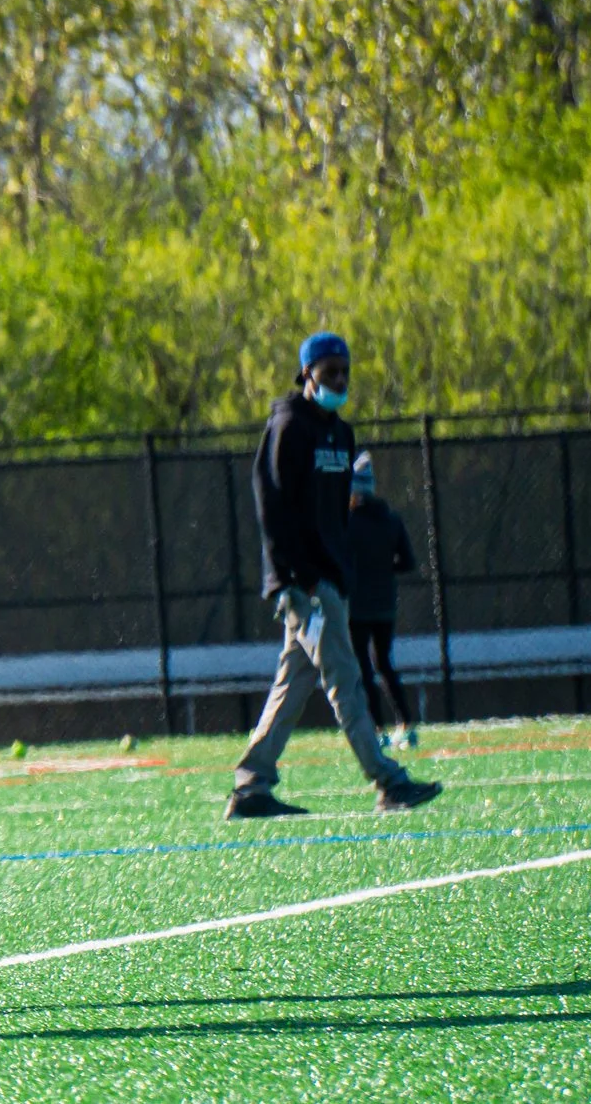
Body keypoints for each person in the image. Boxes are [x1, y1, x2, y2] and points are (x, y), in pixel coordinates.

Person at [230, 333, 442, 819]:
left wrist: (339, 569)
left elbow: (336, 515)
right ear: (307, 374)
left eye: (345, 372)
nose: (340, 380)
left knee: (293, 682)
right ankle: (388, 781)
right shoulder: (288, 426)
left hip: (328, 581)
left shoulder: (342, 435)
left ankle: (251, 785)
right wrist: (296, 575)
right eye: (330, 372)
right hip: (306, 584)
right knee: (346, 678)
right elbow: (271, 505)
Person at [346, 451, 421, 747]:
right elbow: (408, 562)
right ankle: (406, 724)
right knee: (384, 663)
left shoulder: (347, 522)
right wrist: (383, 569)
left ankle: (378, 730)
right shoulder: (391, 519)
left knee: (363, 667)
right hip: (385, 604)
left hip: (356, 606)